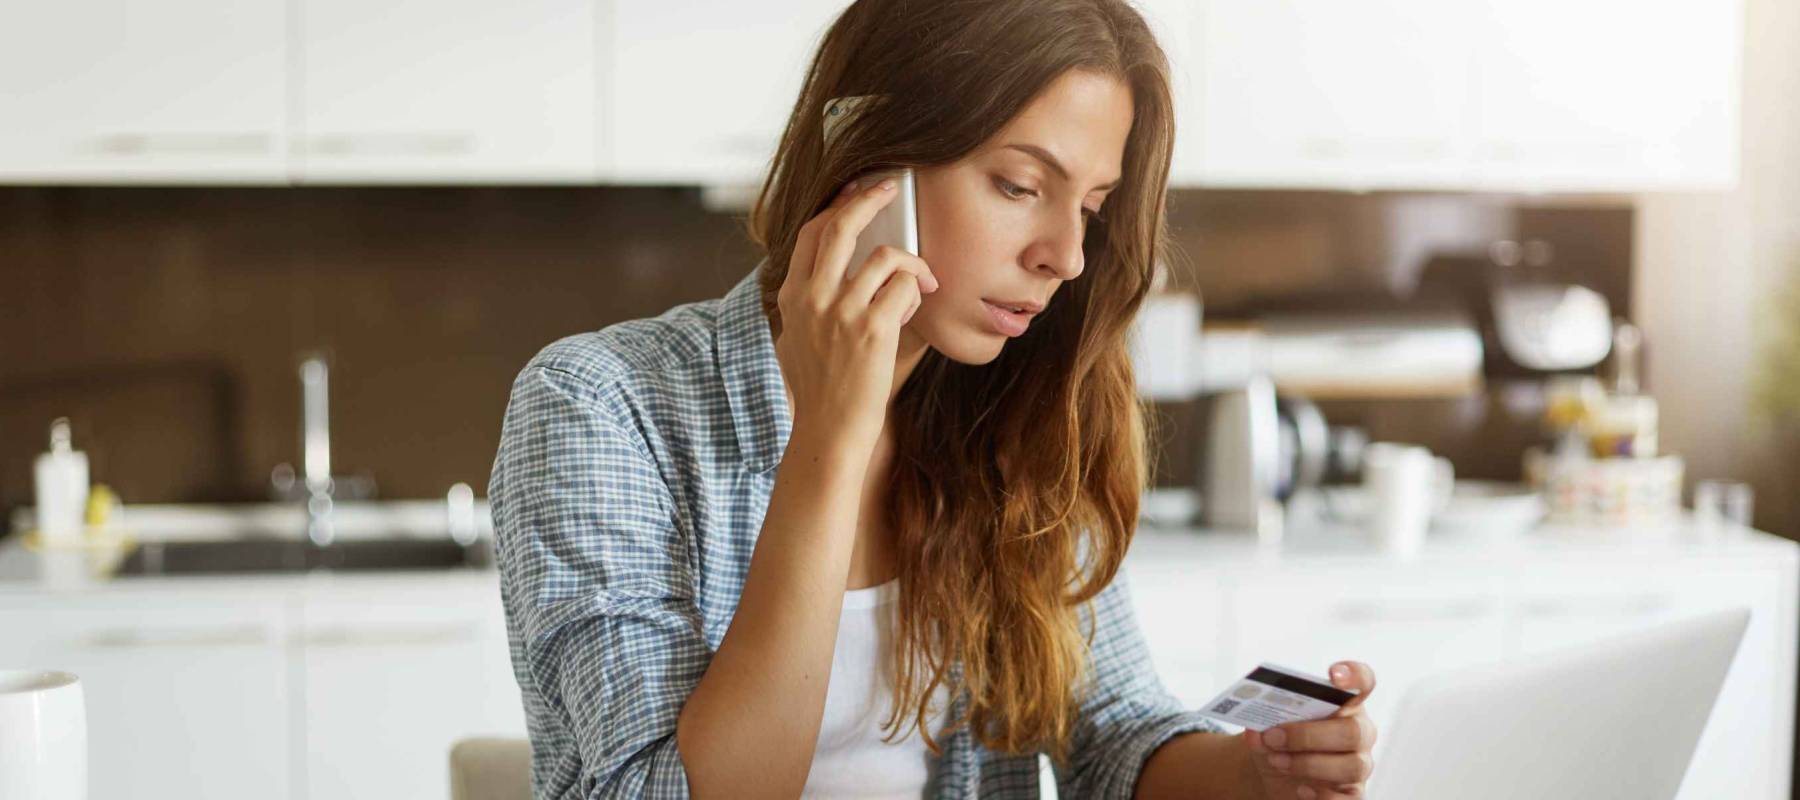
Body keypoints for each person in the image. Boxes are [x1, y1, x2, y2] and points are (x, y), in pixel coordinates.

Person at [488, 1, 1378, 797]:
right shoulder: (601, 408)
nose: (1066, 256)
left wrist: (1253, 774)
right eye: (1020, 186)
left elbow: (1113, 735)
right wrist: (832, 437)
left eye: (1093, 207)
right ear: (869, 163)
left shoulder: (1013, 418)